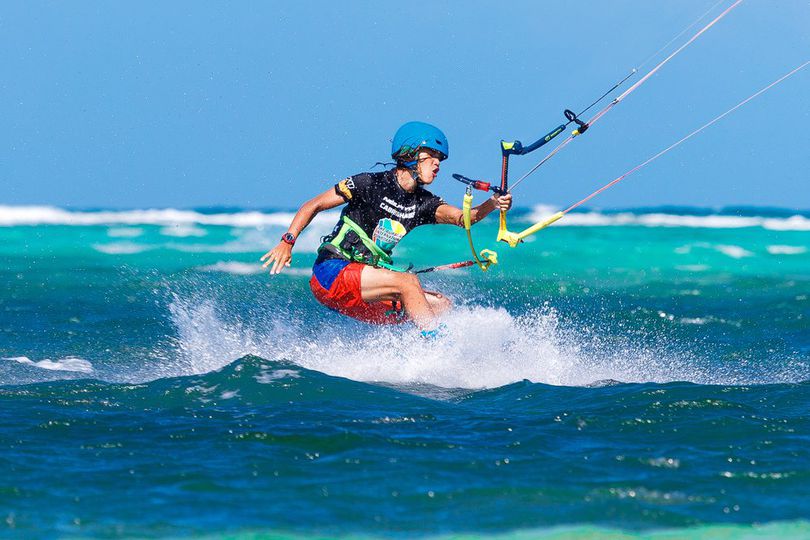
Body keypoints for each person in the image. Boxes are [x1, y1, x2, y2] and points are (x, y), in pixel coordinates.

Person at [260, 121, 511, 337]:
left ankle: (410, 360)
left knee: (440, 305)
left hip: (362, 290)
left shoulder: (423, 203)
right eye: (431, 156)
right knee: (408, 282)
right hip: (331, 274)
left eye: (440, 160)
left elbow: (463, 218)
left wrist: (492, 204)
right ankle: (437, 346)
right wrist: (288, 241)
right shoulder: (368, 184)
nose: (437, 165)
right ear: (410, 154)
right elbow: (313, 205)